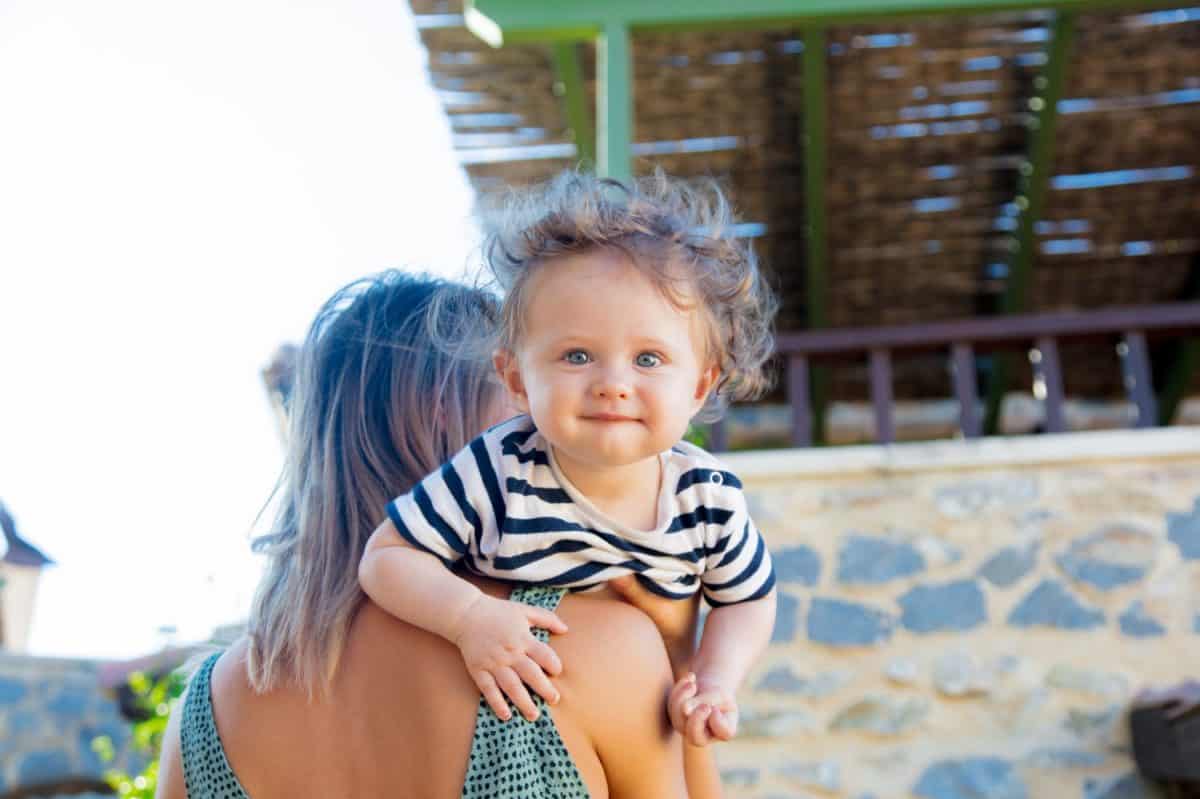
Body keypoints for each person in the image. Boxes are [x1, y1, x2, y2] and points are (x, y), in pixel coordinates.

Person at [155, 271, 722, 798]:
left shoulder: (202, 713)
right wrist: (677, 655)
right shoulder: (587, 651)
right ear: (442, 420)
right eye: (527, 421)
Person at [359, 171, 779, 746]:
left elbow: (749, 599)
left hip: (644, 727)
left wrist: (714, 679)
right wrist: (468, 618)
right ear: (517, 379)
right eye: (577, 354)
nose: (614, 383)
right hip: (517, 733)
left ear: (700, 387)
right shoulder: (499, 470)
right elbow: (387, 557)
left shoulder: (709, 498)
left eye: (649, 359)